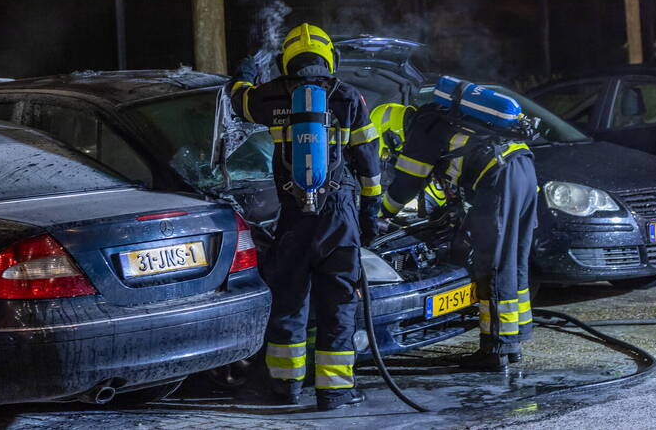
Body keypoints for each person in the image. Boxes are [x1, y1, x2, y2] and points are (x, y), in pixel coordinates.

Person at [228, 23, 382, 410]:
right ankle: (334, 392)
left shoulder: (272, 95)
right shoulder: (347, 97)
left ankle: (285, 387)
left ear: (287, 60)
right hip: (339, 214)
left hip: (294, 214)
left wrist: (244, 75)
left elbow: (238, 101)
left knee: (290, 300)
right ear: (331, 60)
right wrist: (372, 211)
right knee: (339, 303)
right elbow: (368, 159)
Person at [381, 80, 538, 370]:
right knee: (514, 258)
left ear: (393, 133)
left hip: (499, 179)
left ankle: (496, 351)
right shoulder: (443, 120)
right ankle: (514, 342)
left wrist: (381, 214)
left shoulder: (424, 131)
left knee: (492, 264)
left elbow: (405, 186)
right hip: (524, 170)